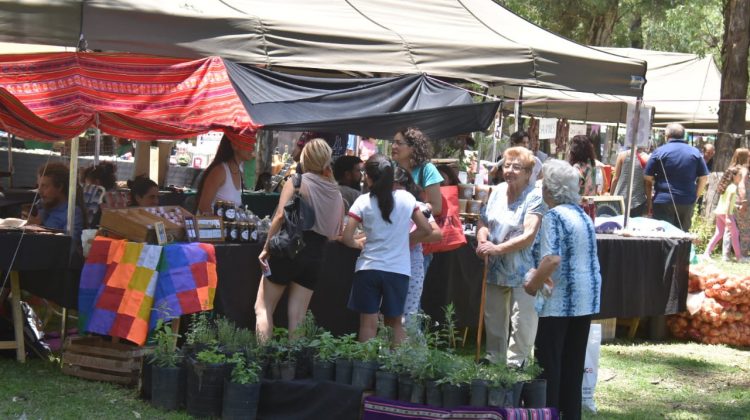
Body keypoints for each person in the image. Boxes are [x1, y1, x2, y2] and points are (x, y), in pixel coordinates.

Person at [523, 159, 602, 420]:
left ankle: (549, 414)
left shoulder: (554, 216)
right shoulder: (582, 214)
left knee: (549, 364)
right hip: (586, 299)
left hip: (560, 301)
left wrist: (533, 284)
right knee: (572, 364)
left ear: (548, 189)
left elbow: (552, 259)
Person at [255, 139, 344, 339]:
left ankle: (260, 362)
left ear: (305, 159)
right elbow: (334, 232)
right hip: (316, 255)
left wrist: (267, 248)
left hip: (288, 250)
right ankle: (294, 364)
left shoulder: (297, 182)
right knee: (298, 317)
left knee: (263, 308)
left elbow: (279, 216)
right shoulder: (336, 194)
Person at [341, 154, 432, 344]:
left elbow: (348, 236)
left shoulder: (363, 201)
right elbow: (426, 229)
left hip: (368, 268)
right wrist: (403, 240)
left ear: (369, 177)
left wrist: (357, 244)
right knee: (396, 323)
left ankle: (364, 369)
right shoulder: (407, 198)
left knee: (367, 324)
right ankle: (395, 368)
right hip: (398, 270)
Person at [476, 146, 544, 367]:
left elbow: (528, 234)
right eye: (507, 165)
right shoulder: (496, 192)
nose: (510, 171)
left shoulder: (535, 196)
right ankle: (494, 356)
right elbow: (483, 221)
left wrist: (497, 249)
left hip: (523, 266)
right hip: (495, 265)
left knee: (522, 316)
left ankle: (518, 361)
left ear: (528, 172)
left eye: (517, 167)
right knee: (494, 313)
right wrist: (482, 239)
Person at [392, 166, 442, 328]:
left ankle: (414, 352)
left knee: (409, 314)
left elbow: (437, 234)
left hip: (412, 263)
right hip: (389, 264)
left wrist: (408, 240)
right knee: (388, 313)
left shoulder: (417, 205)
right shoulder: (382, 204)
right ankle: (388, 350)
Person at [391, 127, 444, 274]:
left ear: (413, 147)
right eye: (393, 142)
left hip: (417, 241)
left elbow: (436, 206)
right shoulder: (390, 168)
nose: (393, 146)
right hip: (391, 238)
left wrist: (410, 209)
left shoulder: (427, 169)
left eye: (398, 143)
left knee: (410, 293)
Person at [644, 123, 708, 232]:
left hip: (663, 200)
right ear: (683, 135)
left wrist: (650, 199)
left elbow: (647, 177)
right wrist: (695, 196)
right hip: (687, 201)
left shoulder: (659, 151)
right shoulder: (695, 153)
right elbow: (704, 178)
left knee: (663, 238)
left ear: (666, 135)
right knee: (682, 239)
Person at [28, 162, 86, 244]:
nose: (40, 191)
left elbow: (70, 245)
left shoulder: (72, 213)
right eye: (39, 186)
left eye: (44, 186)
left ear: (59, 187)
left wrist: (40, 227)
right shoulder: (40, 206)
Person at [195, 135, 255, 215]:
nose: (253, 148)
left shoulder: (238, 170)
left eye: (253, 143)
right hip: (211, 226)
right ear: (234, 145)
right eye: (248, 143)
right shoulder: (220, 171)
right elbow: (203, 208)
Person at [703, 166, 747, 262]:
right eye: (740, 175)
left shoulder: (729, 186)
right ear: (734, 176)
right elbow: (727, 202)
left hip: (720, 212)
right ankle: (739, 257)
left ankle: (706, 253)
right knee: (735, 233)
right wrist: (727, 217)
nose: (741, 177)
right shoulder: (732, 188)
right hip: (725, 214)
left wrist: (736, 206)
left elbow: (727, 201)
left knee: (719, 233)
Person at [610, 147, 651, 217]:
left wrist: (611, 197)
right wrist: (649, 204)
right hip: (637, 201)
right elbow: (647, 184)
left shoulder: (622, 155)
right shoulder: (647, 158)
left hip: (620, 199)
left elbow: (615, 179)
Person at [729, 148, 750, 255]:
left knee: (731, 229)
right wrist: (744, 202)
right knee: (745, 229)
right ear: (745, 157)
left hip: (733, 202)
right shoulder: (744, 170)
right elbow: (742, 186)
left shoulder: (733, 169)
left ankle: (727, 254)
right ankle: (743, 254)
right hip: (742, 203)